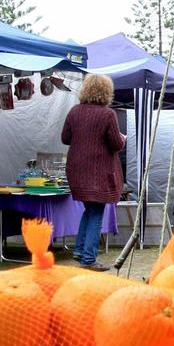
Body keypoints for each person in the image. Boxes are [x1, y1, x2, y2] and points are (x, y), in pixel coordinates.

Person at [61, 74, 125, 271]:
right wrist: (122, 139)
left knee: (89, 210)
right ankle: (88, 259)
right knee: (97, 211)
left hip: (77, 169)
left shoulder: (74, 112)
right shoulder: (107, 115)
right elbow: (115, 143)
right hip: (98, 172)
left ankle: (80, 250)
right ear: (107, 92)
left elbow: (65, 138)